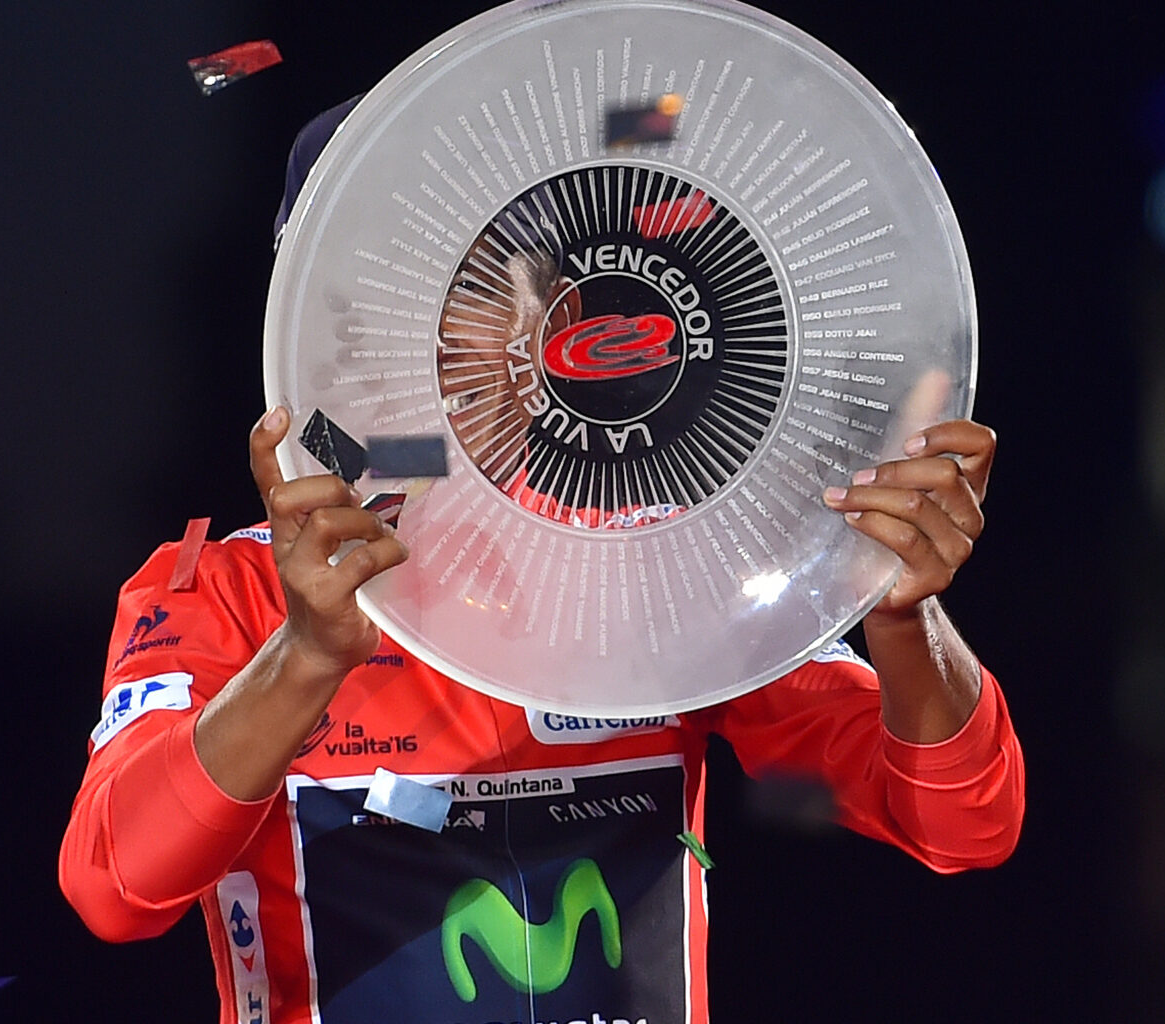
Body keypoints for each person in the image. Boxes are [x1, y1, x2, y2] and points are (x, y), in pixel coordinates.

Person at [59, 99, 1025, 1024]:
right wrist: (305, 656)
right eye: (373, 284)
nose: (423, 328)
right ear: (300, 329)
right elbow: (115, 889)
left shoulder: (663, 560)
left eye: (471, 278)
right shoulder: (225, 591)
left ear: (552, 320)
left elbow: (962, 825)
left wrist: (899, 614)